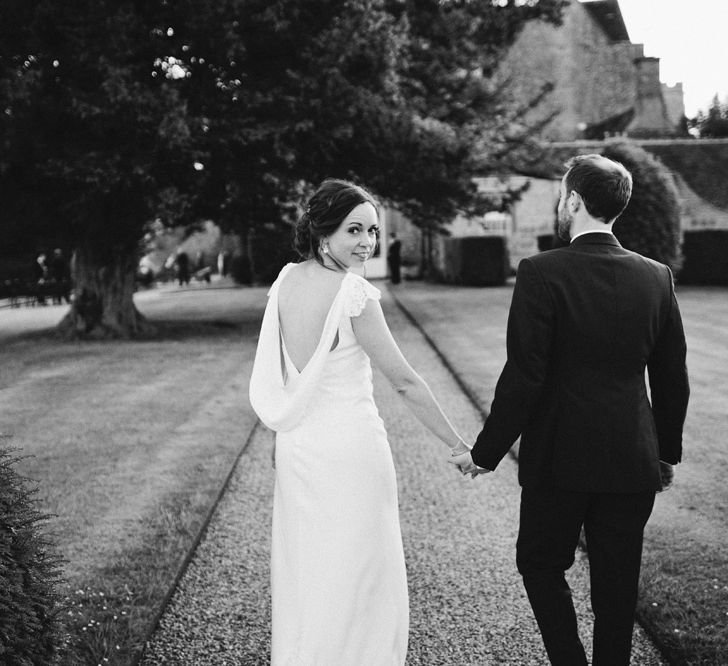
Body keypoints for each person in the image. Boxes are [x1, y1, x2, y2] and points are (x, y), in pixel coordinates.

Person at [451, 154, 689, 665]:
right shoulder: (656, 277)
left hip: (559, 458)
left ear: (575, 201)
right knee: (617, 583)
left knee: (539, 562)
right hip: (632, 457)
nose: (562, 202)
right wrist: (665, 453)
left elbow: (524, 377)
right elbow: (673, 379)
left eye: (563, 195)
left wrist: (485, 453)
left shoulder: (541, 272)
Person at [249, 178, 470, 665]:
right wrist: (459, 444)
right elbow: (405, 382)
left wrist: (279, 432)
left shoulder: (285, 281)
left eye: (372, 230)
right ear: (323, 231)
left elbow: (284, 374)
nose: (367, 242)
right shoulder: (355, 294)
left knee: (311, 567)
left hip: (300, 449)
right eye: (355, 230)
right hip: (351, 450)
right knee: (363, 569)